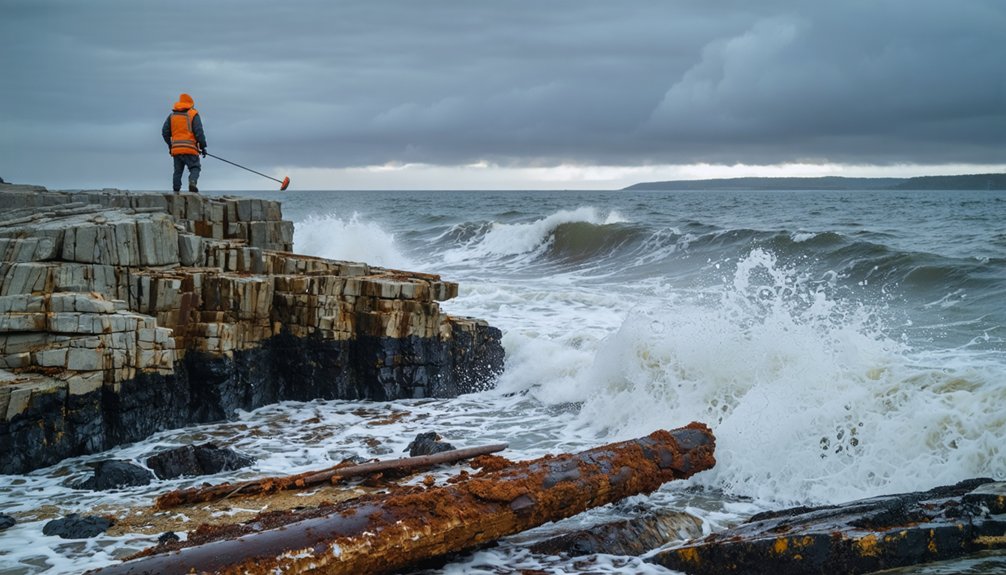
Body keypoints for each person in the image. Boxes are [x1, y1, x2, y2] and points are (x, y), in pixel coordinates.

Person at [162, 93, 207, 193]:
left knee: (178, 171)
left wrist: (170, 145)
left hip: (176, 149)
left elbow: (165, 132)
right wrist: (203, 147)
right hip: (190, 149)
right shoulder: (193, 114)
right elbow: (199, 132)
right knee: (195, 167)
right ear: (191, 104)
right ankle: (192, 182)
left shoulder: (172, 116)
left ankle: (176, 192)